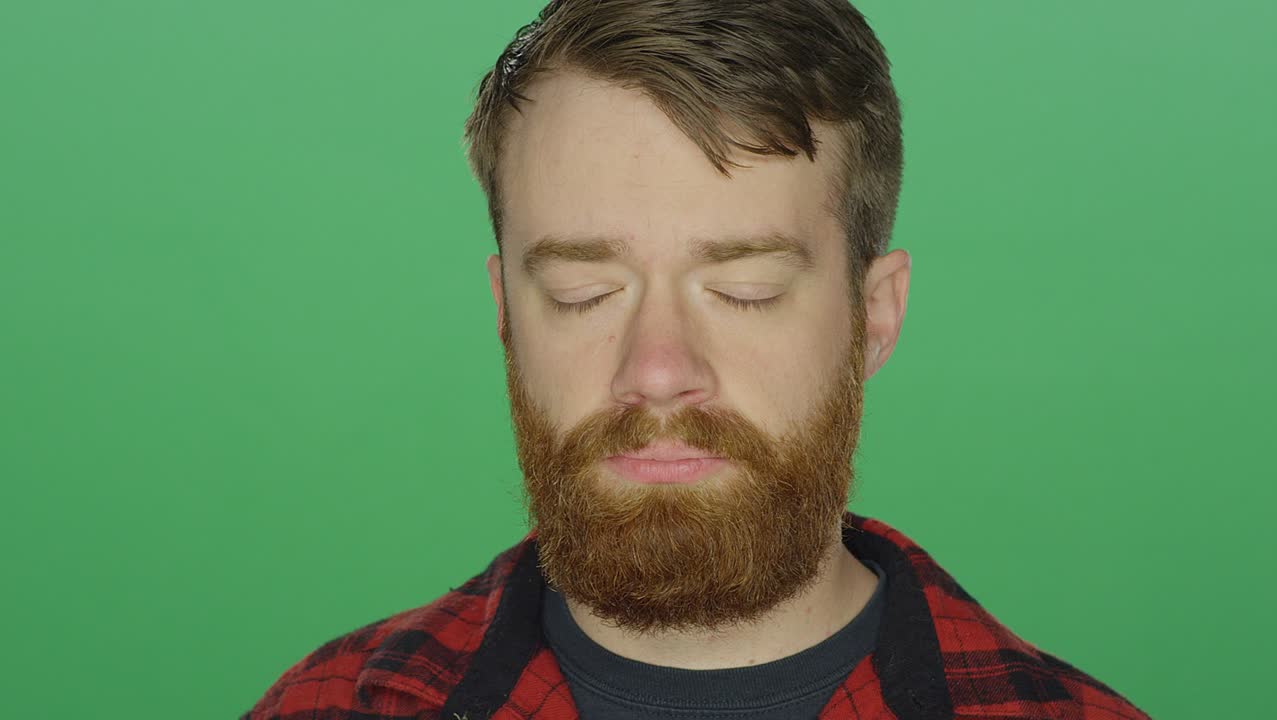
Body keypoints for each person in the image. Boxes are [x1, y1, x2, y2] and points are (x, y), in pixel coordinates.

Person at [243, 1, 1151, 718]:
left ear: (874, 316)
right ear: (506, 314)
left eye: (745, 289)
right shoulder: (323, 707)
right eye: (582, 293)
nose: (657, 369)